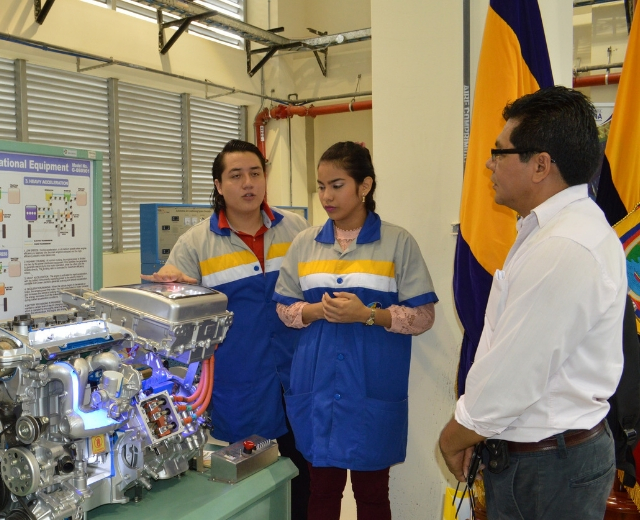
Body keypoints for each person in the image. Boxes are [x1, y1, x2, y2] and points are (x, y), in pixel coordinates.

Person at [438, 86, 627, 519]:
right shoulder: (548, 229)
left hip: (549, 470)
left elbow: (515, 373)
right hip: (544, 459)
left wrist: (455, 437)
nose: (488, 162)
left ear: (541, 165)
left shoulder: (564, 245)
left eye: (500, 151)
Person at [142, 139, 311, 518]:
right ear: (219, 185)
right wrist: (171, 285)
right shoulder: (196, 243)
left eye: (255, 173)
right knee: (249, 482)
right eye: (236, 176)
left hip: (299, 374)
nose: (248, 183)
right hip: (238, 382)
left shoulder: (296, 229)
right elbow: (173, 312)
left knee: (304, 476)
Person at [273, 141, 437, 520]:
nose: (327, 196)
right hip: (317, 388)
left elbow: (423, 316)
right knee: (322, 491)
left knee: (373, 495)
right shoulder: (304, 243)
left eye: (337, 185)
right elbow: (284, 310)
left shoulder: (397, 242)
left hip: (371, 387)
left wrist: (368, 315)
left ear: (365, 186)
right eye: (321, 186)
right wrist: (314, 310)